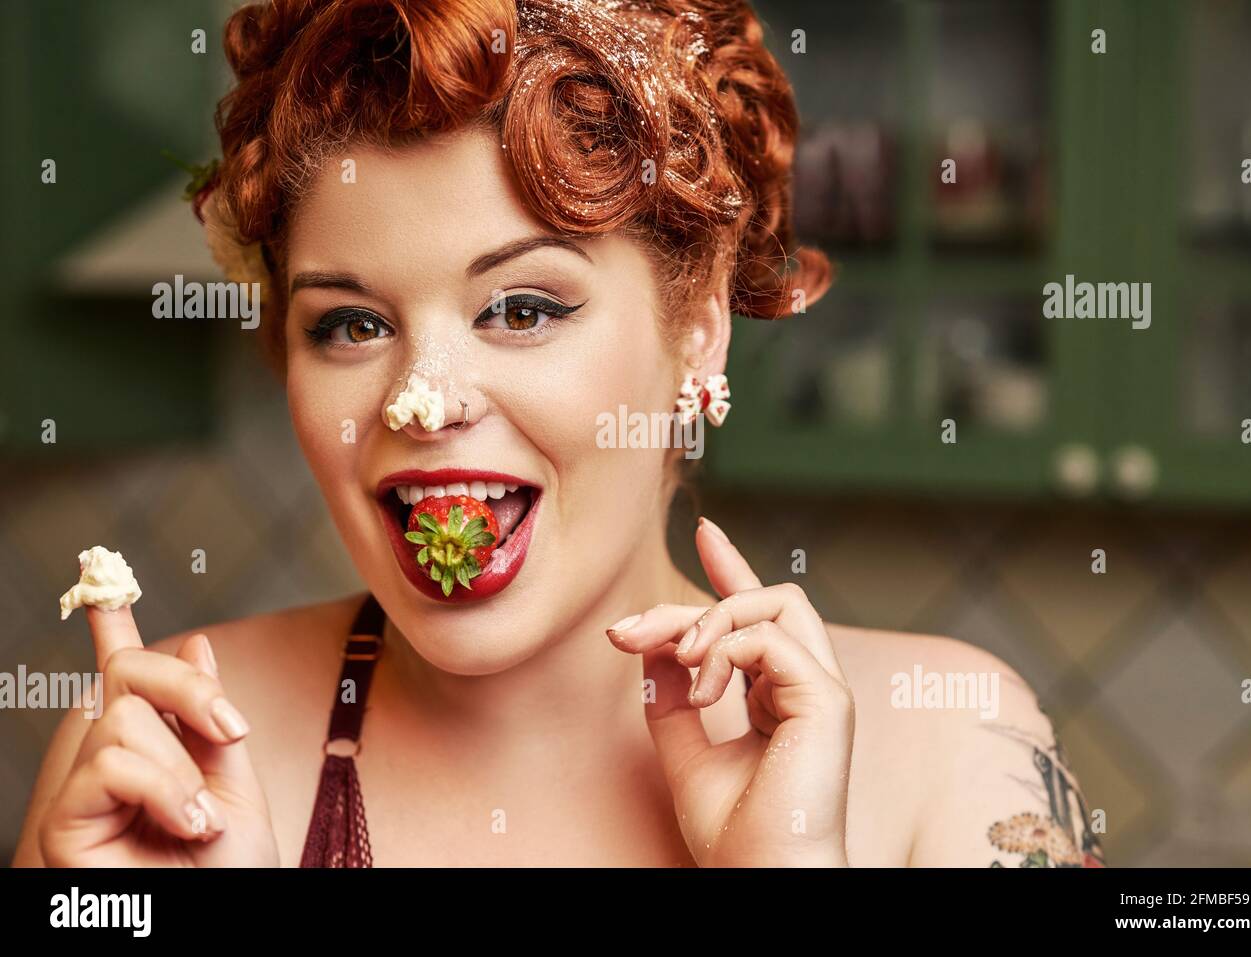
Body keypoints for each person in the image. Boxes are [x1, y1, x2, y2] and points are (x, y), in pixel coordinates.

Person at [14, 0, 1103, 868]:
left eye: (523, 309)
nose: (423, 400)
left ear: (698, 334)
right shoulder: (163, 756)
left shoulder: (954, 752)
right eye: (351, 323)